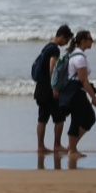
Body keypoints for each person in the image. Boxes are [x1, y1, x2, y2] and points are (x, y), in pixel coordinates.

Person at [61, 30, 96, 158]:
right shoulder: (79, 58)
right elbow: (83, 80)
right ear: (83, 41)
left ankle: (71, 146)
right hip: (76, 91)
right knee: (78, 119)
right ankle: (72, 150)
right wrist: (93, 97)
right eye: (90, 38)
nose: (92, 41)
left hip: (76, 90)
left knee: (89, 118)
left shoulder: (76, 55)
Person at [34, 24, 73, 154]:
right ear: (62, 37)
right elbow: (52, 67)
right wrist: (54, 87)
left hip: (40, 88)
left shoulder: (47, 47)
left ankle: (40, 146)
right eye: (66, 40)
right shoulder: (54, 50)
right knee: (60, 119)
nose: (66, 43)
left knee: (42, 119)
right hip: (49, 90)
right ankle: (57, 145)